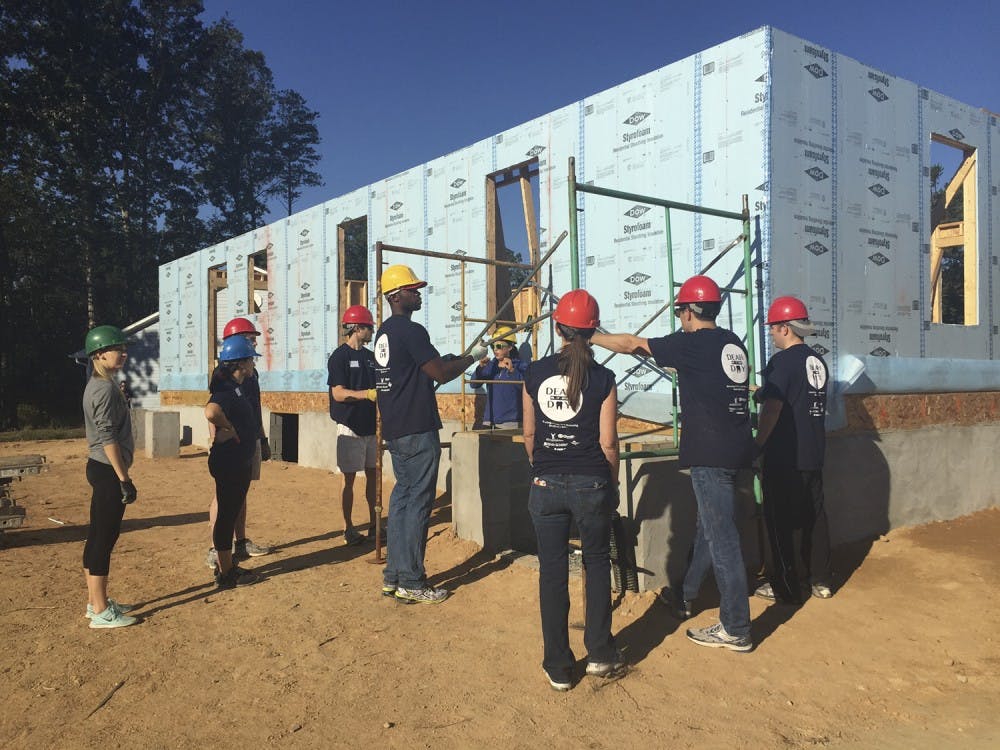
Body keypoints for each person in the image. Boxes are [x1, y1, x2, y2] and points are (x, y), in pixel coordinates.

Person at [592, 275, 754, 652]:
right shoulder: (733, 344)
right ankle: (684, 595)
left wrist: (590, 337)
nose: (679, 317)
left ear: (689, 311)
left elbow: (631, 344)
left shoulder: (692, 343)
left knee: (723, 539)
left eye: (680, 310)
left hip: (710, 454)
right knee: (710, 530)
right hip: (734, 449)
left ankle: (737, 627)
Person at [522, 289, 623, 691]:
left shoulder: (534, 373)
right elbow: (609, 443)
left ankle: (559, 666)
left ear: (557, 326)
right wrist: (610, 487)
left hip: (545, 483)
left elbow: (529, 433)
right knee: (597, 564)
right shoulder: (603, 378)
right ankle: (599, 652)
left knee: (552, 572)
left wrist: (542, 467)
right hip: (591, 483)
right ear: (593, 330)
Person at [373, 264, 487, 604]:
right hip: (417, 428)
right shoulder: (411, 330)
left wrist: (456, 358)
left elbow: (418, 372)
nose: (418, 293)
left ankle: (394, 576)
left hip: (396, 428)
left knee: (402, 502)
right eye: (413, 289)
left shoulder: (384, 334)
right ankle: (411, 579)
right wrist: (470, 359)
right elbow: (439, 372)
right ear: (397, 296)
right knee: (418, 504)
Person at [753, 296, 833, 603]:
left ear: (785, 328)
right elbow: (796, 395)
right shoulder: (817, 361)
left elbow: (773, 409)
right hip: (813, 453)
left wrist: (758, 444)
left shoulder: (782, 362)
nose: (771, 334)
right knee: (815, 516)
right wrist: (762, 391)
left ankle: (782, 585)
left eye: (773, 328)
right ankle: (822, 580)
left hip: (785, 456)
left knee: (778, 522)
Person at [82, 325, 139, 629]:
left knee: (97, 536)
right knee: (104, 538)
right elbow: (107, 436)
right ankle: (101, 611)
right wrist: (123, 478)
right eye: (117, 348)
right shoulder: (103, 388)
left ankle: (95, 603)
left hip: (100, 467)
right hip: (107, 470)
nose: (123, 353)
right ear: (100, 354)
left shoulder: (101, 384)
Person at [205, 317, 272, 569]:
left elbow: (254, 407)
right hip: (231, 446)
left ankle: (240, 541)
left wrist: (262, 438)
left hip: (249, 438)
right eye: (249, 337)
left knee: (240, 493)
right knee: (223, 497)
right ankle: (216, 548)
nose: (254, 341)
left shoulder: (251, 373)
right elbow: (214, 407)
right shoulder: (223, 377)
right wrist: (222, 435)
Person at [328, 304, 378, 545]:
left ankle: (374, 524)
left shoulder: (370, 358)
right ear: (357, 328)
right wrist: (365, 395)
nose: (372, 331)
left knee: (373, 477)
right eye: (369, 327)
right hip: (350, 427)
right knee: (348, 481)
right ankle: (347, 527)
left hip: (371, 427)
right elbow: (337, 394)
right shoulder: (339, 357)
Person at [474, 325, 529, 429]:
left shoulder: (521, 366)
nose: (495, 350)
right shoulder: (491, 365)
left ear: (510, 347)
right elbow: (474, 384)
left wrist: (512, 372)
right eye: (492, 346)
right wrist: (480, 368)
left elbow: (525, 389)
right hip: (489, 422)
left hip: (510, 423)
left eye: (499, 346)